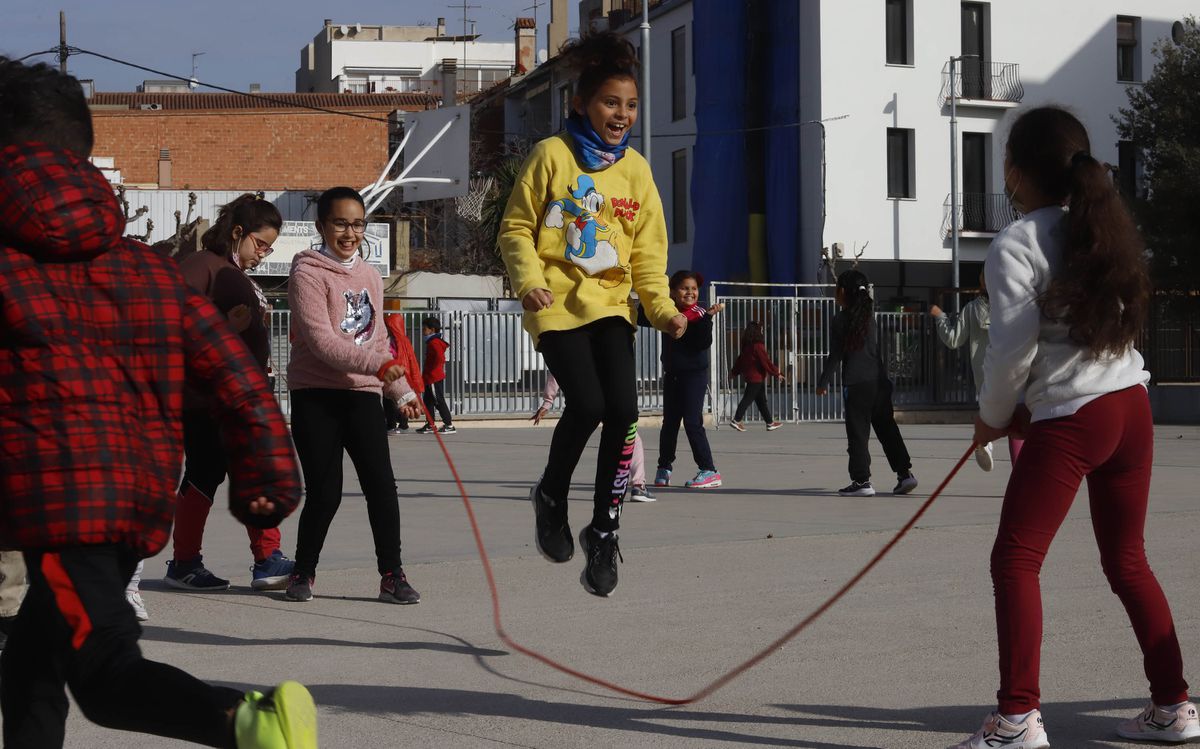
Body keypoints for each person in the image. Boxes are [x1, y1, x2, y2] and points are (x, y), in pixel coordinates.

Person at [0, 56, 316, 748]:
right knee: (31, 663)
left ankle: (249, 721)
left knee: (106, 674)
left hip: (61, 512)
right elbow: (235, 372)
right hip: (133, 501)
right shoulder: (146, 266)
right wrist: (267, 471)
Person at [950, 106, 1198, 749]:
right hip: (1130, 408)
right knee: (1128, 559)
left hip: (1073, 418)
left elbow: (1011, 351)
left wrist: (990, 419)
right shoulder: (1109, 231)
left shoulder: (1016, 245)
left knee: (1016, 559)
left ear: (1016, 174)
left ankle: (1016, 716)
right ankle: (1173, 705)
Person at [498, 31, 685, 597]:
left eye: (630, 106)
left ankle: (603, 530)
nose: (622, 115)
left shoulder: (638, 174)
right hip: (556, 304)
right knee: (588, 403)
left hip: (611, 307)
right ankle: (552, 494)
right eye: (611, 103)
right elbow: (516, 229)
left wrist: (664, 309)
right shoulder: (551, 156)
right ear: (581, 103)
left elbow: (650, 258)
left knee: (624, 412)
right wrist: (529, 281)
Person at [285, 186, 423, 606]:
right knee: (325, 493)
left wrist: (400, 391)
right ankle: (302, 571)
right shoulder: (307, 272)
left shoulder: (369, 275)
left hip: (362, 394)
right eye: (341, 223)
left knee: (382, 487)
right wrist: (378, 367)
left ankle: (392, 575)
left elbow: (377, 339)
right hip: (317, 394)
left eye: (358, 224)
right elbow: (324, 342)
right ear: (321, 226)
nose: (350, 233)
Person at [166, 194, 296, 592]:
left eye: (270, 247)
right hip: (209, 397)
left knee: (237, 471)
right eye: (260, 244)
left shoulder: (231, 271)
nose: (263, 253)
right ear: (237, 232)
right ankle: (192, 560)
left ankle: (260, 558)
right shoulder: (202, 265)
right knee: (212, 472)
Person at [815, 269, 918, 497]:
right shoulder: (868, 317)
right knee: (888, 430)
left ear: (842, 291)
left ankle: (862, 481)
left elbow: (836, 354)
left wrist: (823, 382)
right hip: (879, 383)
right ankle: (905, 474)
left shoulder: (841, 319)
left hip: (856, 384)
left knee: (858, 435)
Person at [930, 270, 1024, 472]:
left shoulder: (972, 309)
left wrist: (940, 317)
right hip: (1014, 373)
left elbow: (953, 339)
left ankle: (987, 444)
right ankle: (1021, 472)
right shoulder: (1014, 306)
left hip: (986, 376)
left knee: (991, 416)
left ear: (982, 284)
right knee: (1017, 426)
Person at [647, 270, 725, 489]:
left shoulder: (699, 314)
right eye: (684, 288)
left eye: (693, 288)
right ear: (672, 292)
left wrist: (708, 318)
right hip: (672, 374)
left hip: (694, 375)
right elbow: (646, 316)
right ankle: (664, 467)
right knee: (669, 423)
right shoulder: (668, 313)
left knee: (692, 422)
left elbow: (703, 343)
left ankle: (709, 470)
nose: (690, 292)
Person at [533, 373, 656, 502]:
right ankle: (638, 485)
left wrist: (548, 401)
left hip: (585, 399)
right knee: (631, 436)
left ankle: (548, 483)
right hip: (606, 396)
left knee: (571, 441)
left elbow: (556, 368)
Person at [728, 320, 785, 432]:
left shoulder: (747, 346)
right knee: (747, 399)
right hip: (756, 378)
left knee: (761, 401)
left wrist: (734, 372)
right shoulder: (758, 346)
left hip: (752, 377)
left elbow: (740, 361)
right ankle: (736, 420)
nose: (763, 331)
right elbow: (766, 361)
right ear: (757, 331)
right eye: (761, 329)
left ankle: (770, 423)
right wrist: (776, 373)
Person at [383, 312, 423, 435]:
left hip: (398, 374)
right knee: (397, 401)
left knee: (391, 401)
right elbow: (412, 361)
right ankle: (400, 424)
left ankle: (394, 425)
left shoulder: (395, 340)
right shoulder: (404, 340)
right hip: (402, 374)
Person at [416, 316, 455, 434]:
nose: (423, 331)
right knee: (428, 401)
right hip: (429, 377)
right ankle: (430, 424)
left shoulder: (434, 343)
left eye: (424, 329)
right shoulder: (433, 342)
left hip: (433, 377)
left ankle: (448, 424)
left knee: (437, 400)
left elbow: (439, 358)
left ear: (432, 330)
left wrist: (433, 370)